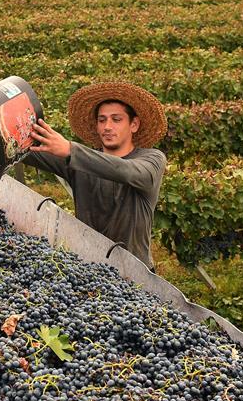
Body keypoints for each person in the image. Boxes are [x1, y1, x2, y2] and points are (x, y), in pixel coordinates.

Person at [23, 82, 168, 271]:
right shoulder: (79, 161)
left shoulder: (152, 159)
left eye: (116, 119)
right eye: (102, 120)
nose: (107, 126)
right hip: (88, 270)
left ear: (134, 124)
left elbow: (127, 171)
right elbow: (26, 150)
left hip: (134, 274)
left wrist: (70, 149)